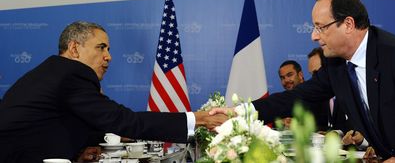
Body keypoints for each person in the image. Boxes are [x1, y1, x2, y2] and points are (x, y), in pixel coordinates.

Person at [211, 0, 395, 163]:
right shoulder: (336, 65)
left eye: (320, 27)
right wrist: (240, 112)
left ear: (348, 24)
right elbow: (296, 98)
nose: (314, 36)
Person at [0, 21, 226, 163]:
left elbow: (53, 124)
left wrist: (80, 149)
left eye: (108, 49)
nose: (108, 56)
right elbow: (122, 120)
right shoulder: (71, 73)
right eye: (101, 48)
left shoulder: (54, 71)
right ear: (74, 48)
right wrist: (196, 119)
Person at [278, 60, 328, 130]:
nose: (286, 80)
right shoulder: (284, 101)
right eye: (282, 78)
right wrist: (282, 122)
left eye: (289, 75)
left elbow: (325, 126)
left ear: (300, 75)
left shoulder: (316, 95)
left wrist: (299, 126)